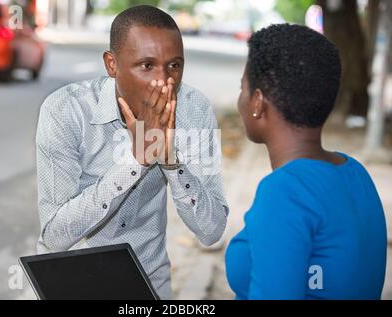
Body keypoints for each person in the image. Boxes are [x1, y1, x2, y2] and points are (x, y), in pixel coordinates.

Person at [35, 5, 228, 299]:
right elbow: (55, 236)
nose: (165, 82)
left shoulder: (195, 109)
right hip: (72, 281)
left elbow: (211, 230)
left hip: (149, 283)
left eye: (174, 65)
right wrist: (135, 162)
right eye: (147, 66)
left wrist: (171, 163)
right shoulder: (65, 110)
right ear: (112, 64)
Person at [225, 24, 387, 300]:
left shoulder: (285, 191)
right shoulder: (355, 173)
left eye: (243, 88)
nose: (241, 98)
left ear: (258, 102)